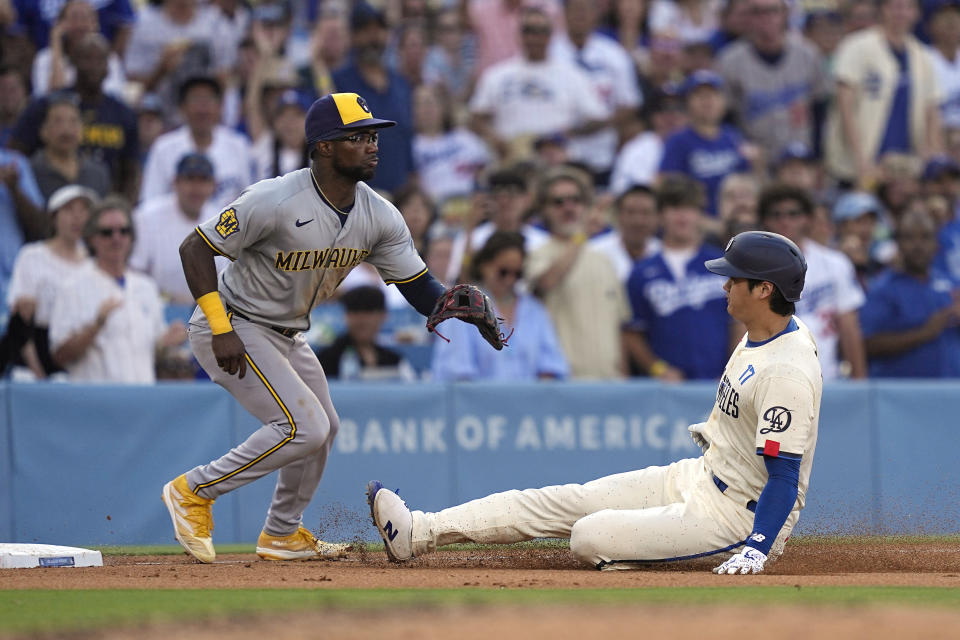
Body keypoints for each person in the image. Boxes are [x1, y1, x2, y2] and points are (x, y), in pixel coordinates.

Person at [162, 92, 500, 564]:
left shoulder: (378, 213)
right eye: (358, 137)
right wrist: (220, 327)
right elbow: (194, 249)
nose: (372, 145)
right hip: (235, 323)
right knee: (304, 425)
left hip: (286, 331)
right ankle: (193, 490)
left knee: (326, 427)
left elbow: (418, 285)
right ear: (323, 146)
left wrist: (453, 304)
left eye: (373, 136)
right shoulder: (274, 197)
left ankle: (281, 532)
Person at [368, 230, 820, 575]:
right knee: (563, 500)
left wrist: (757, 547)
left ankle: (654, 571)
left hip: (736, 516)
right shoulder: (761, 332)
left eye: (734, 279)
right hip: (700, 476)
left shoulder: (786, 370)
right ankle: (419, 531)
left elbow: (784, 475)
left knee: (588, 536)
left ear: (764, 290)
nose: (724, 286)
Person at [48, 196, 187, 383]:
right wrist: (95, 326)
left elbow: (152, 352)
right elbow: (59, 356)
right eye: (107, 232)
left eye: (124, 231)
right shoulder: (71, 286)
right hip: (96, 402)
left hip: (141, 400)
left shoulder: (146, 286)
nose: (116, 238)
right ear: (91, 238)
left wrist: (167, 342)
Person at [623, 177, 732, 381]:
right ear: (661, 216)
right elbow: (632, 332)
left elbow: (740, 323)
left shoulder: (723, 263)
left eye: (689, 208)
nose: (682, 217)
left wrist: (734, 370)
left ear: (700, 215)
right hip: (669, 391)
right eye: (674, 208)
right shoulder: (641, 272)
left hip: (720, 383)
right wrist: (657, 369)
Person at [468, 6, 608, 163]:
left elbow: (598, 118)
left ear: (550, 35)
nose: (534, 37)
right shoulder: (497, 75)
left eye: (541, 31)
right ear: (519, 34)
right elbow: (477, 118)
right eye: (528, 30)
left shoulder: (572, 75)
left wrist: (569, 133)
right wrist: (495, 139)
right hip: (512, 157)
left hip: (555, 158)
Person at [825, 0, 942, 189]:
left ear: (916, 13)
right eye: (895, 6)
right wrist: (860, 159)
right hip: (862, 160)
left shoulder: (922, 55)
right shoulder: (857, 45)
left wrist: (933, 155)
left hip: (906, 164)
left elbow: (932, 110)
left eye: (908, 7)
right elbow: (845, 105)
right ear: (882, 10)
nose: (901, 13)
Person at [526, 167, 629, 379]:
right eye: (558, 202)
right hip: (564, 384)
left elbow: (619, 328)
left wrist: (624, 378)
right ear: (543, 210)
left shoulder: (604, 261)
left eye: (576, 200)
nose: (568, 207)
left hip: (611, 383)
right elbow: (547, 282)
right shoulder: (537, 255)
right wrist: (582, 235)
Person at [10, 34, 139, 201]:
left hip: (102, 198)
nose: (93, 66)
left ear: (108, 67)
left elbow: (131, 171)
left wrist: (122, 208)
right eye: (86, 58)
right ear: (73, 62)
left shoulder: (123, 113)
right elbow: (16, 154)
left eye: (100, 60)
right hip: (47, 193)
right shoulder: (46, 105)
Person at [758, 183, 868, 379]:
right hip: (771, 384)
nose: (785, 221)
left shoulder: (835, 263)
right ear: (765, 220)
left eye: (793, 214)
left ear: (807, 218)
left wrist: (859, 381)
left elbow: (849, 328)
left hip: (827, 379)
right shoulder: (751, 270)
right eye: (776, 215)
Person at [431, 231, 568, 381]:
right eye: (503, 272)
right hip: (478, 402)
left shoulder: (535, 310)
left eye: (517, 274)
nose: (510, 280)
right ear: (484, 266)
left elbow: (551, 367)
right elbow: (457, 374)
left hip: (530, 403)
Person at [715, 0, 830, 161]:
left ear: (785, 14)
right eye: (757, 12)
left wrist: (819, 157)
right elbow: (725, 119)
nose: (765, 18)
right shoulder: (729, 61)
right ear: (748, 17)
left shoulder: (808, 54)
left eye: (772, 11)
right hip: (754, 161)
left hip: (802, 160)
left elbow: (820, 111)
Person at [0, 185, 93, 378]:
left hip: (76, 353)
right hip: (36, 353)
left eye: (83, 210)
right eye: (69, 210)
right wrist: (38, 372)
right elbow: (21, 318)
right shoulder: (32, 256)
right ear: (54, 217)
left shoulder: (93, 264)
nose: (77, 218)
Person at [549, 0, 642, 186]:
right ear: (564, 14)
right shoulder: (550, 52)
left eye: (586, 10)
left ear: (596, 14)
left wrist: (599, 124)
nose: (580, 15)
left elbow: (630, 103)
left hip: (601, 152)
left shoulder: (614, 54)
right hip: (557, 150)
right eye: (575, 10)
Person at [860, 208, 960, 376]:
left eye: (925, 237)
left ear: (936, 243)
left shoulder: (952, 284)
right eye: (909, 238)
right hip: (903, 396)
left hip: (951, 393)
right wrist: (925, 332)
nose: (918, 245)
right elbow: (866, 345)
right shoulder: (883, 289)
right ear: (898, 243)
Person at [331, 3, 415, 195]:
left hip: (399, 196)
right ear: (352, 36)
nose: (373, 37)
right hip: (356, 195)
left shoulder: (401, 83)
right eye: (365, 30)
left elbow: (407, 138)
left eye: (379, 29)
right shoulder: (337, 81)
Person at [140, 75, 253, 210]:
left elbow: (250, 202)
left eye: (208, 100)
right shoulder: (163, 148)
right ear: (182, 108)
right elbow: (150, 203)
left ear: (220, 107)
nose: (202, 108)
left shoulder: (238, 146)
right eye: (195, 100)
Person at [130, 153, 224, 305]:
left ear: (214, 186)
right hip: (154, 307)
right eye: (190, 179)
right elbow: (134, 274)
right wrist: (169, 298)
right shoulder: (146, 216)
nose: (196, 188)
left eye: (203, 181)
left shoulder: (221, 220)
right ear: (175, 182)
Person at [658, 70, 754, 217]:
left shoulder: (732, 136)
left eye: (713, 95)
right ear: (688, 103)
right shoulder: (678, 141)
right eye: (699, 96)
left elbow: (748, 183)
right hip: (697, 224)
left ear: (723, 101)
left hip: (734, 221)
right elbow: (668, 192)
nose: (707, 101)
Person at [316, 285, 417, 382]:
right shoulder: (325, 359)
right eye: (355, 311)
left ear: (383, 315)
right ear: (345, 316)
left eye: (369, 311)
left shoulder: (395, 360)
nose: (361, 319)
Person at [31, 0, 127, 98]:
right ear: (60, 24)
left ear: (95, 25)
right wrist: (56, 42)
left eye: (85, 18)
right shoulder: (44, 58)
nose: (80, 25)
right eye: (74, 18)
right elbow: (53, 96)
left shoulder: (110, 59)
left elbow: (111, 96)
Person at [30, 93, 112, 201]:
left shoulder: (98, 173)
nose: (66, 130)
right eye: (58, 121)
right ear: (43, 131)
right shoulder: (31, 171)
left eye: (73, 122)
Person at [588, 184, 662, 283]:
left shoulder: (665, 254)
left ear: (658, 217)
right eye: (631, 212)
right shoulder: (594, 252)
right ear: (618, 215)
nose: (638, 221)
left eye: (645, 213)